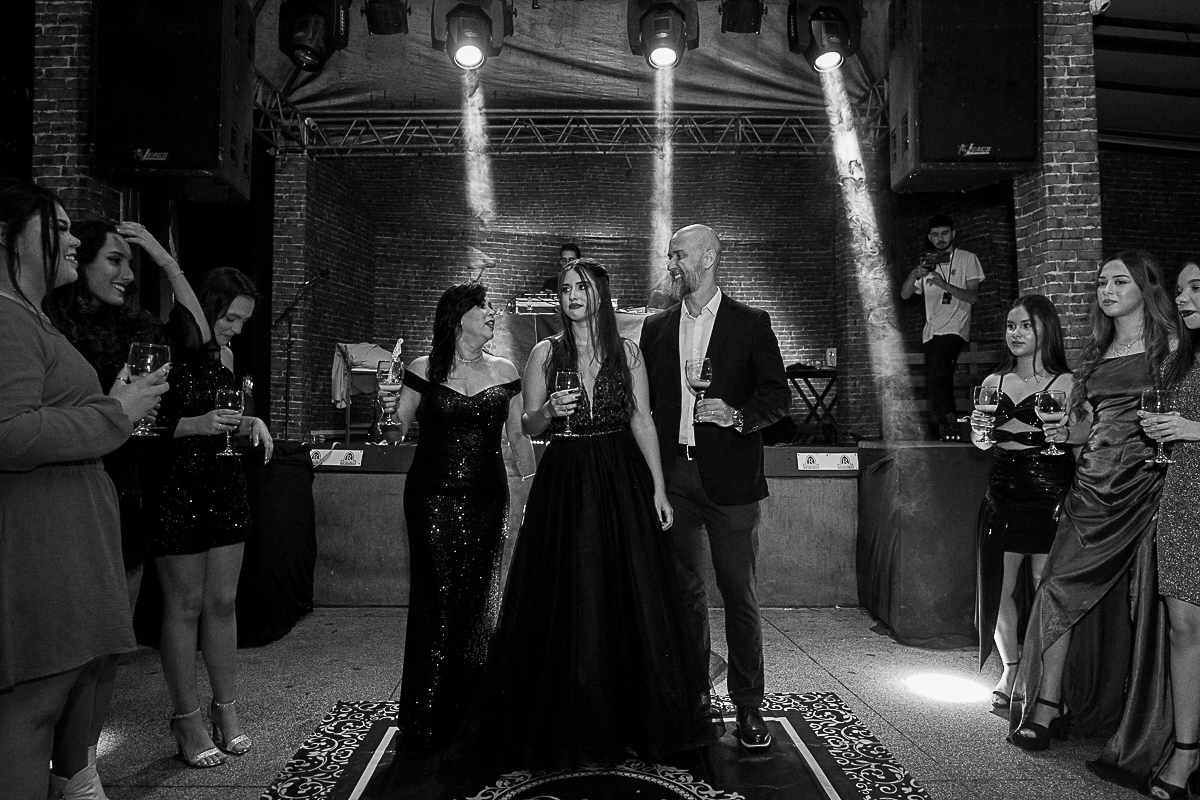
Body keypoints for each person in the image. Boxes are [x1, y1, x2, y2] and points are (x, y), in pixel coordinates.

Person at [450, 258, 714, 770]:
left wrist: (658, 488)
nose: (572, 295)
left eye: (582, 287)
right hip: (567, 477)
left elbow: (642, 420)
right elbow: (529, 425)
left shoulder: (627, 352)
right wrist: (549, 411)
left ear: (600, 295)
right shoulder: (545, 353)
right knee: (570, 591)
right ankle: (572, 717)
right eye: (566, 288)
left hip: (620, 477)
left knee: (625, 591)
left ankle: (631, 716)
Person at [0, 178, 167, 799]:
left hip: (64, 529)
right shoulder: (7, 316)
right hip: (39, 537)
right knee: (30, 712)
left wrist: (112, 403)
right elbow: (8, 433)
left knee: (58, 696)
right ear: (9, 236)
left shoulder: (30, 316)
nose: (74, 239)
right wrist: (115, 412)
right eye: (61, 227)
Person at [48, 217, 205, 792]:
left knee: (111, 645)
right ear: (81, 261)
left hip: (127, 487)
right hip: (69, 486)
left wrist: (166, 259)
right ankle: (59, 766)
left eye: (130, 263)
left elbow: (196, 336)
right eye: (114, 260)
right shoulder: (51, 325)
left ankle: (83, 768)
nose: (126, 274)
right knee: (68, 650)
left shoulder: (135, 325)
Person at [1009, 251, 1175, 765]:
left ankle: (1134, 716)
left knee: (1139, 604)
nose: (1107, 290)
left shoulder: (1171, 347)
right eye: (1102, 282)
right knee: (1056, 585)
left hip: (1145, 484)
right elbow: (1092, 425)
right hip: (1090, 485)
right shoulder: (1099, 349)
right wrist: (1068, 432)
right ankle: (1048, 703)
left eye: (1119, 282)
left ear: (1146, 288)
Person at [639, 224, 790, 751]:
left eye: (679, 254)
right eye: (670, 256)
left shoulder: (750, 323)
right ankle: (695, 697)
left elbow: (778, 398)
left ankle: (748, 705)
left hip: (732, 482)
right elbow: (644, 407)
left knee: (738, 593)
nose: (671, 263)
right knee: (684, 595)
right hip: (675, 478)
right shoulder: (656, 328)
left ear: (707, 258)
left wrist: (737, 416)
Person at [384, 281, 536, 753]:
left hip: (488, 499)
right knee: (436, 597)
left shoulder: (505, 369)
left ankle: (474, 709)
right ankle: (428, 712)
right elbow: (395, 432)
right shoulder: (421, 369)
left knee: (479, 597)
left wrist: (535, 488)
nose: (492, 313)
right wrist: (386, 414)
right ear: (458, 317)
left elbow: (518, 437)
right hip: (430, 498)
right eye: (483, 306)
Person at [149, 267, 273, 768]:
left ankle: (226, 710)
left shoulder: (227, 356)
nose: (237, 329)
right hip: (176, 487)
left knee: (222, 602)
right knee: (185, 606)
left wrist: (252, 422)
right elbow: (138, 423)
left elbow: (225, 419)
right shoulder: (166, 349)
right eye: (231, 318)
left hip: (224, 485)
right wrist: (193, 424)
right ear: (208, 307)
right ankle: (186, 718)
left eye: (244, 322)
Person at [968, 295, 1075, 710]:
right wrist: (978, 432)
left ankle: (1044, 679)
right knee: (996, 588)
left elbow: (1080, 439)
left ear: (1047, 329)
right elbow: (982, 443)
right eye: (1011, 326)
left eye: (1026, 325)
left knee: (1046, 589)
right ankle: (1011, 667)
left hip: (1049, 492)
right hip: (1002, 492)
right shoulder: (994, 381)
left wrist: (1066, 435)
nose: (1016, 333)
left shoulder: (1067, 382)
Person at [1137, 258, 1200, 800]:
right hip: (1182, 494)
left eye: (1195, 289)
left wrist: (1191, 428)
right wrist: (1160, 427)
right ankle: (1186, 749)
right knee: (1183, 628)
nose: (1181, 299)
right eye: (1179, 290)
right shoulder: (1182, 354)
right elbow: (1167, 417)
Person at [900, 214, 985, 440]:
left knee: (938, 376)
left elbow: (972, 297)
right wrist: (915, 273)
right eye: (935, 235)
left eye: (945, 233)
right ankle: (941, 429)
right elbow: (905, 294)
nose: (940, 239)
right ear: (929, 237)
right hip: (931, 332)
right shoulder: (927, 262)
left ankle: (948, 427)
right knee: (935, 379)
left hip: (955, 327)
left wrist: (944, 284)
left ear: (953, 234)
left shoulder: (968, 258)